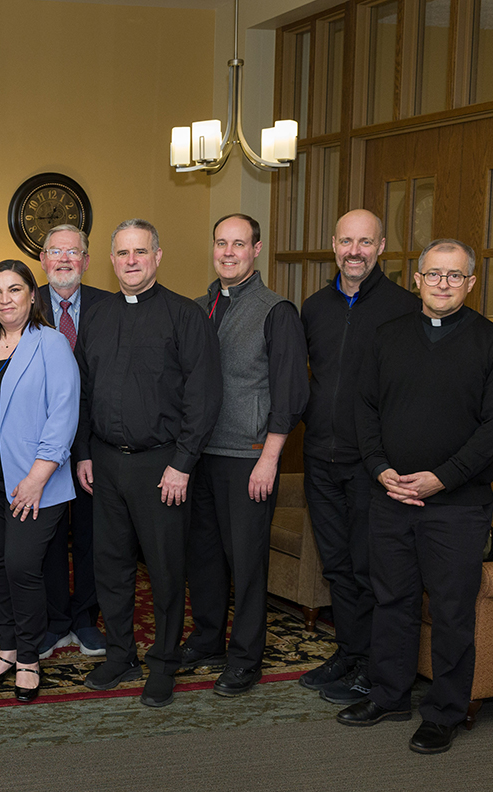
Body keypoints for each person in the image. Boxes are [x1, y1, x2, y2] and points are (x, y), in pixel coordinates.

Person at [339, 239, 493, 755]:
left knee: (454, 611)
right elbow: (363, 409)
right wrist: (381, 469)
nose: (442, 284)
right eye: (434, 274)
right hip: (390, 496)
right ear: (416, 278)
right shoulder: (385, 337)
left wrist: (443, 477)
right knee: (392, 601)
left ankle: (445, 711)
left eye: (454, 276)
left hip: (457, 506)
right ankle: (390, 694)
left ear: (471, 283)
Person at [75, 219, 222, 708]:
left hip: (163, 467)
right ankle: (120, 654)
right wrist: (83, 453)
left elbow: (203, 397)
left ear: (158, 256)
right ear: (111, 260)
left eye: (141, 251)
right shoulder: (96, 316)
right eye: (123, 253)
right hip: (105, 464)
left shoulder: (185, 316)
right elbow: (83, 391)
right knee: (109, 567)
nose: (132, 260)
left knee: (164, 569)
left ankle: (162, 662)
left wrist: (182, 463)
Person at [298, 209, 419, 704]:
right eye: (346, 241)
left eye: (364, 242)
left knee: (371, 569)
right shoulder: (314, 307)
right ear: (333, 245)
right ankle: (348, 652)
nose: (354, 251)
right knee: (337, 567)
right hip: (318, 460)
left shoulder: (403, 309)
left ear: (381, 246)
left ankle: (372, 663)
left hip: (373, 466)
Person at [185, 213, 308, 697]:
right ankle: (210, 638)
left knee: (247, 562)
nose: (228, 252)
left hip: (250, 457)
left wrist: (270, 458)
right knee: (206, 557)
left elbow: (291, 392)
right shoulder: (199, 306)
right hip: (201, 456)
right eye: (221, 243)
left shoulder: (276, 310)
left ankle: (246, 658)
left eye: (239, 244)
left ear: (256, 249)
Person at [0, 260, 79, 703]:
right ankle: (8, 647)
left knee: (21, 566)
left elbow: (64, 414)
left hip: (34, 482)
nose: (5, 299)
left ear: (33, 295)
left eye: (15, 290)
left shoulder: (51, 344)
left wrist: (38, 476)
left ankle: (30, 657)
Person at [35, 224, 110, 658]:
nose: (64, 259)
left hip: (95, 446)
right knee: (45, 537)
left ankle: (85, 618)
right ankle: (55, 620)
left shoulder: (110, 305)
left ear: (86, 260)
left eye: (73, 252)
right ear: (42, 260)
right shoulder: (24, 303)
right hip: (42, 445)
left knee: (90, 536)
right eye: (55, 252)